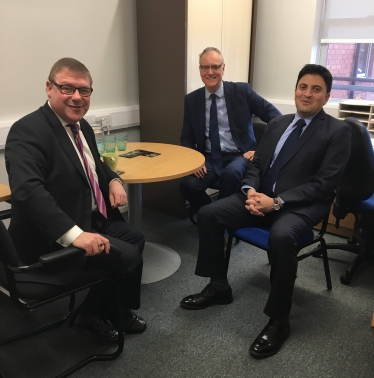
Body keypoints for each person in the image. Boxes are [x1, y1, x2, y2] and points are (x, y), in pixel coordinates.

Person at [180, 64, 351, 358]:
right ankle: (219, 286)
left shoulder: (338, 131)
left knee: (282, 237)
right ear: (295, 90)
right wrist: (249, 192)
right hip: (261, 197)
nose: (307, 94)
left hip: (300, 206)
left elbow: (324, 185)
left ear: (326, 96)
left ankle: (279, 319)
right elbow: (256, 165)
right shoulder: (277, 124)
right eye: (303, 87)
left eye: (316, 89)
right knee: (210, 214)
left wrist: (278, 202)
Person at [5, 57, 146, 341]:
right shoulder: (27, 131)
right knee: (128, 257)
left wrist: (114, 180)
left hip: (89, 217)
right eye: (68, 88)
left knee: (135, 238)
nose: (77, 97)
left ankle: (96, 310)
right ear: (49, 87)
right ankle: (101, 313)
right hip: (51, 238)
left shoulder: (81, 127)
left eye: (84, 91)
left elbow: (96, 166)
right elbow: (28, 192)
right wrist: (75, 235)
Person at [180, 47, 281, 213]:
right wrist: (194, 161)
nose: (210, 72)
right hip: (208, 158)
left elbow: (277, 119)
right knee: (187, 185)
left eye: (215, 66)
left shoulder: (242, 91)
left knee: (232, 174)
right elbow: (186, 137)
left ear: (223, 68)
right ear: (199, 70)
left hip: (239, 154)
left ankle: (223, 220)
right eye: (204, 67)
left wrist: (261, 151)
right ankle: (212, 215)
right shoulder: (192, 100)